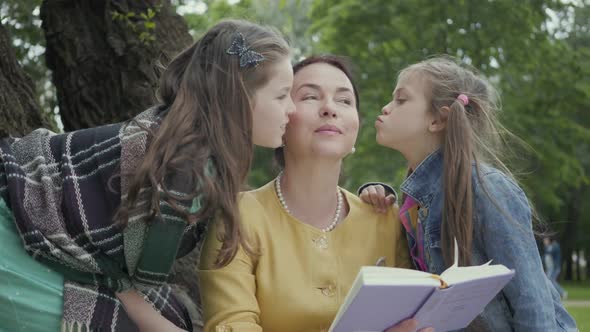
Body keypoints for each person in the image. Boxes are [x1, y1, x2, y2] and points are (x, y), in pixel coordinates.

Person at [0, 19, 294, 332]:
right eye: (282, 96)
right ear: (239, 98)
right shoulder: (180, 168)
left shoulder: (197, 151)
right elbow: (127, 291)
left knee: (170, 311)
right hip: (14, 215)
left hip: (35, 216)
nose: (292, 109)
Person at [198, 55, 432, 332]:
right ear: (281, 118)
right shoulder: (238, 217)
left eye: (345, 101)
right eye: (310, 97)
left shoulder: (386, 220)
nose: (330, 108)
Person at [362, 56, 577, 330]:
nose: (386, 107)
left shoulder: (487, 189)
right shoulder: (415, 202)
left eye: (401, 100)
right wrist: (376, 196)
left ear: (438, 120)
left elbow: (532, 304)